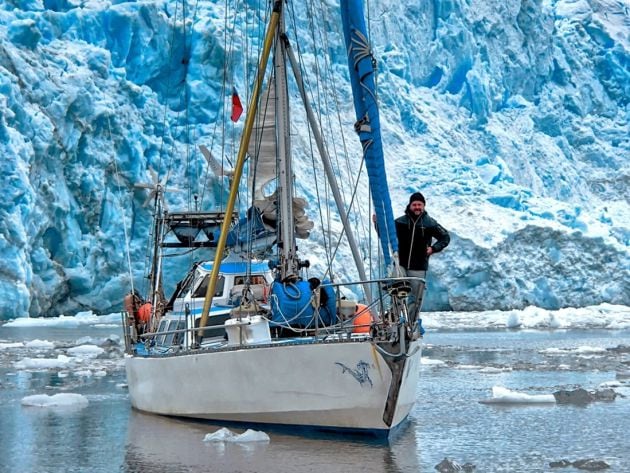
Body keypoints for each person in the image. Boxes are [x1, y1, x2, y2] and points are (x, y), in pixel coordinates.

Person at [395, 191, 450, 324]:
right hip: (400, 264)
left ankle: (411, 324)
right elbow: (385, 233)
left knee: (415, 298)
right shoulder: (400, 222)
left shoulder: (430, 223)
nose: (417, 207)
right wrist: (376, 223)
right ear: (410, 205)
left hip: (418, 266)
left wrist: (433, 248)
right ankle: (395, 322)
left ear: (424, 206)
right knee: (397, 292)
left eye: (420, 204)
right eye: (414, 204)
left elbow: (445, 237)